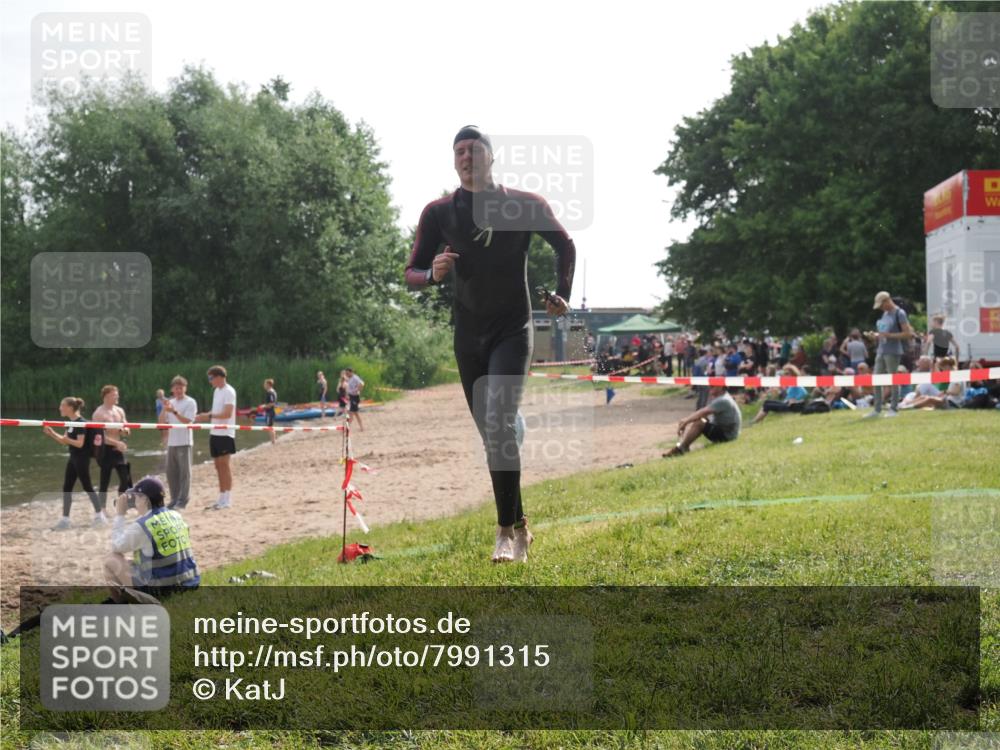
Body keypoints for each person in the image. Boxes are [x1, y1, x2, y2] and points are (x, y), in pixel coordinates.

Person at [404, 125, 575, 564]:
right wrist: (432, 274)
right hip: (468, 336)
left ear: (490, 156)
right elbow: (411, 274)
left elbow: (565, 245)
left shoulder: (522, 204)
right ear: (454, 160)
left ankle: (503, 534)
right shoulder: (439, 213)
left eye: (473, 149)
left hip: (513, 330)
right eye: (458, 151)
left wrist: (563, 294)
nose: (466, 156)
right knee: (493, 436)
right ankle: (521, 525)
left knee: (498, 424)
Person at [103, 476, 200, 602]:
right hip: (190, 583)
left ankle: (121, 602)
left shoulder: (143, 525)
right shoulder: (176, 515)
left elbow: (116, 546)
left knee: (111, 560)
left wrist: (120, 515)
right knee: (134, 561)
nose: (135, 501)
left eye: (136, 497)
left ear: (144, 499)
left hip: (163, 590)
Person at [44, 396, 106, 530]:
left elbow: (80, 443)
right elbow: (63, 441)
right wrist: (52, 433)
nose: (60, 408)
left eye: (62, 405)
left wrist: (66, 439)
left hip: (81, 458)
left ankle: (99, 515)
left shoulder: (80, 423)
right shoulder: (70, 423)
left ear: (70, 408)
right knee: (67, 487)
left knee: (87, 486)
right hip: (73, 458)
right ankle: (65, 520)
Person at [863, 291, 913, 418]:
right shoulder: (885, 313)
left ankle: (894, 408)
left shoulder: (900, 313)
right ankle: (877, 409)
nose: (881, 308)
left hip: (893, 351)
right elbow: (883, 333)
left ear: (887, 300)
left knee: (893, 379)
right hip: (881, 349)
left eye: (881, 304)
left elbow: (907, 334)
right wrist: (875, 336)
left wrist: (888, 336)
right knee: (876, 378)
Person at [196, 365, 237, 510]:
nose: (210, 381)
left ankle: (227, 499)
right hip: (214, 432)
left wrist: (209, 416)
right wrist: (204, 416)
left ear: (219, 377)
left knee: (224, 466)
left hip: (225, 433)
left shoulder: (229, 391)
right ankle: (221, 496)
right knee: (217, 466)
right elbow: (216, 411)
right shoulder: (216, 391)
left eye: (211, 378)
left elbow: (227, 414)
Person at [663, 385, 742, 457]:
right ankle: (683, 447)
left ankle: (682, 448)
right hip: (729, 432)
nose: (710, 386)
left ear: (721, 387)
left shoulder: (722, 400)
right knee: (701, 419)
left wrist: (685, 421)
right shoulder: (723, 397)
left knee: (699, 423)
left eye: (713, 385)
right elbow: (703, 413)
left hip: (727, 436)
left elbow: (702, 412)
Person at [92, 385, 133, 509]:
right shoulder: (99, 413)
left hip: (118, 449)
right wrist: (117, 443)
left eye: (117, 394)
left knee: (125, 478)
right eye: (115, 395)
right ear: (107, 396)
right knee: (105, 481)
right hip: (105, 450)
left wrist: (125, 430)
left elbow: (127, 426)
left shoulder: (119, 410)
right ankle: (102, 509)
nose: (118, 397)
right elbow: (99, 437)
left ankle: (121, 503)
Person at [160, 375, 197, 509]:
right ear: (172, 389)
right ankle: (174, 499)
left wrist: (174, 411)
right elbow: (161, 423)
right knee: (171, 472)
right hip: (172, 442)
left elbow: (188, 421)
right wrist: (164, 409)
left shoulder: (190, 402)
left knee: (184, 473)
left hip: (184, 441)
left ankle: (182, 501)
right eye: (176, 388)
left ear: (185, 388)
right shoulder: (171, 402)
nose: (178, 391)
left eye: (181, 388)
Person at [263, 378, 278, 445]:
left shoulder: (270, 392)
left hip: (270, 412)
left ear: (268, 384)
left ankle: (273, 442)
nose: (264, 385)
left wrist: (264, 407)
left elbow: (272, 403)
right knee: (270, 426)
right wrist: (264, 405)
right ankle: (273, 440)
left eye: (265, 384)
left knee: (269, 426)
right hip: (271, 411)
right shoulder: (272, 391)